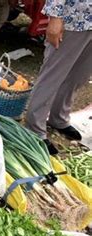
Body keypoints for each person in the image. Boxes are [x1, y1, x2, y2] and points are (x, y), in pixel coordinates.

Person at [25, 0, 91, 155]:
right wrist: (56, 16)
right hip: (74, 18)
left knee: (79, 75)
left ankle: (59, 118)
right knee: (53, 75)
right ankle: (34, 128)